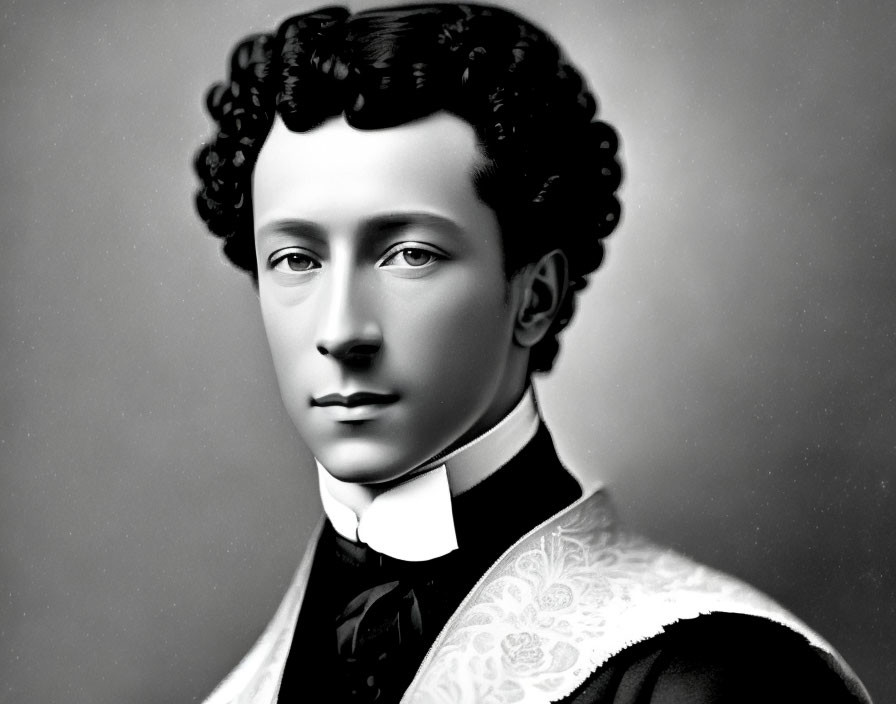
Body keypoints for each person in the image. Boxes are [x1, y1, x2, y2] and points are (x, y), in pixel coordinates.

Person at [192, 4, 872, 702]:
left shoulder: (720, 677)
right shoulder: (268, 661)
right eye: (297, 258)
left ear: (535, 296)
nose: (340, 331)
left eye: (409, 254)